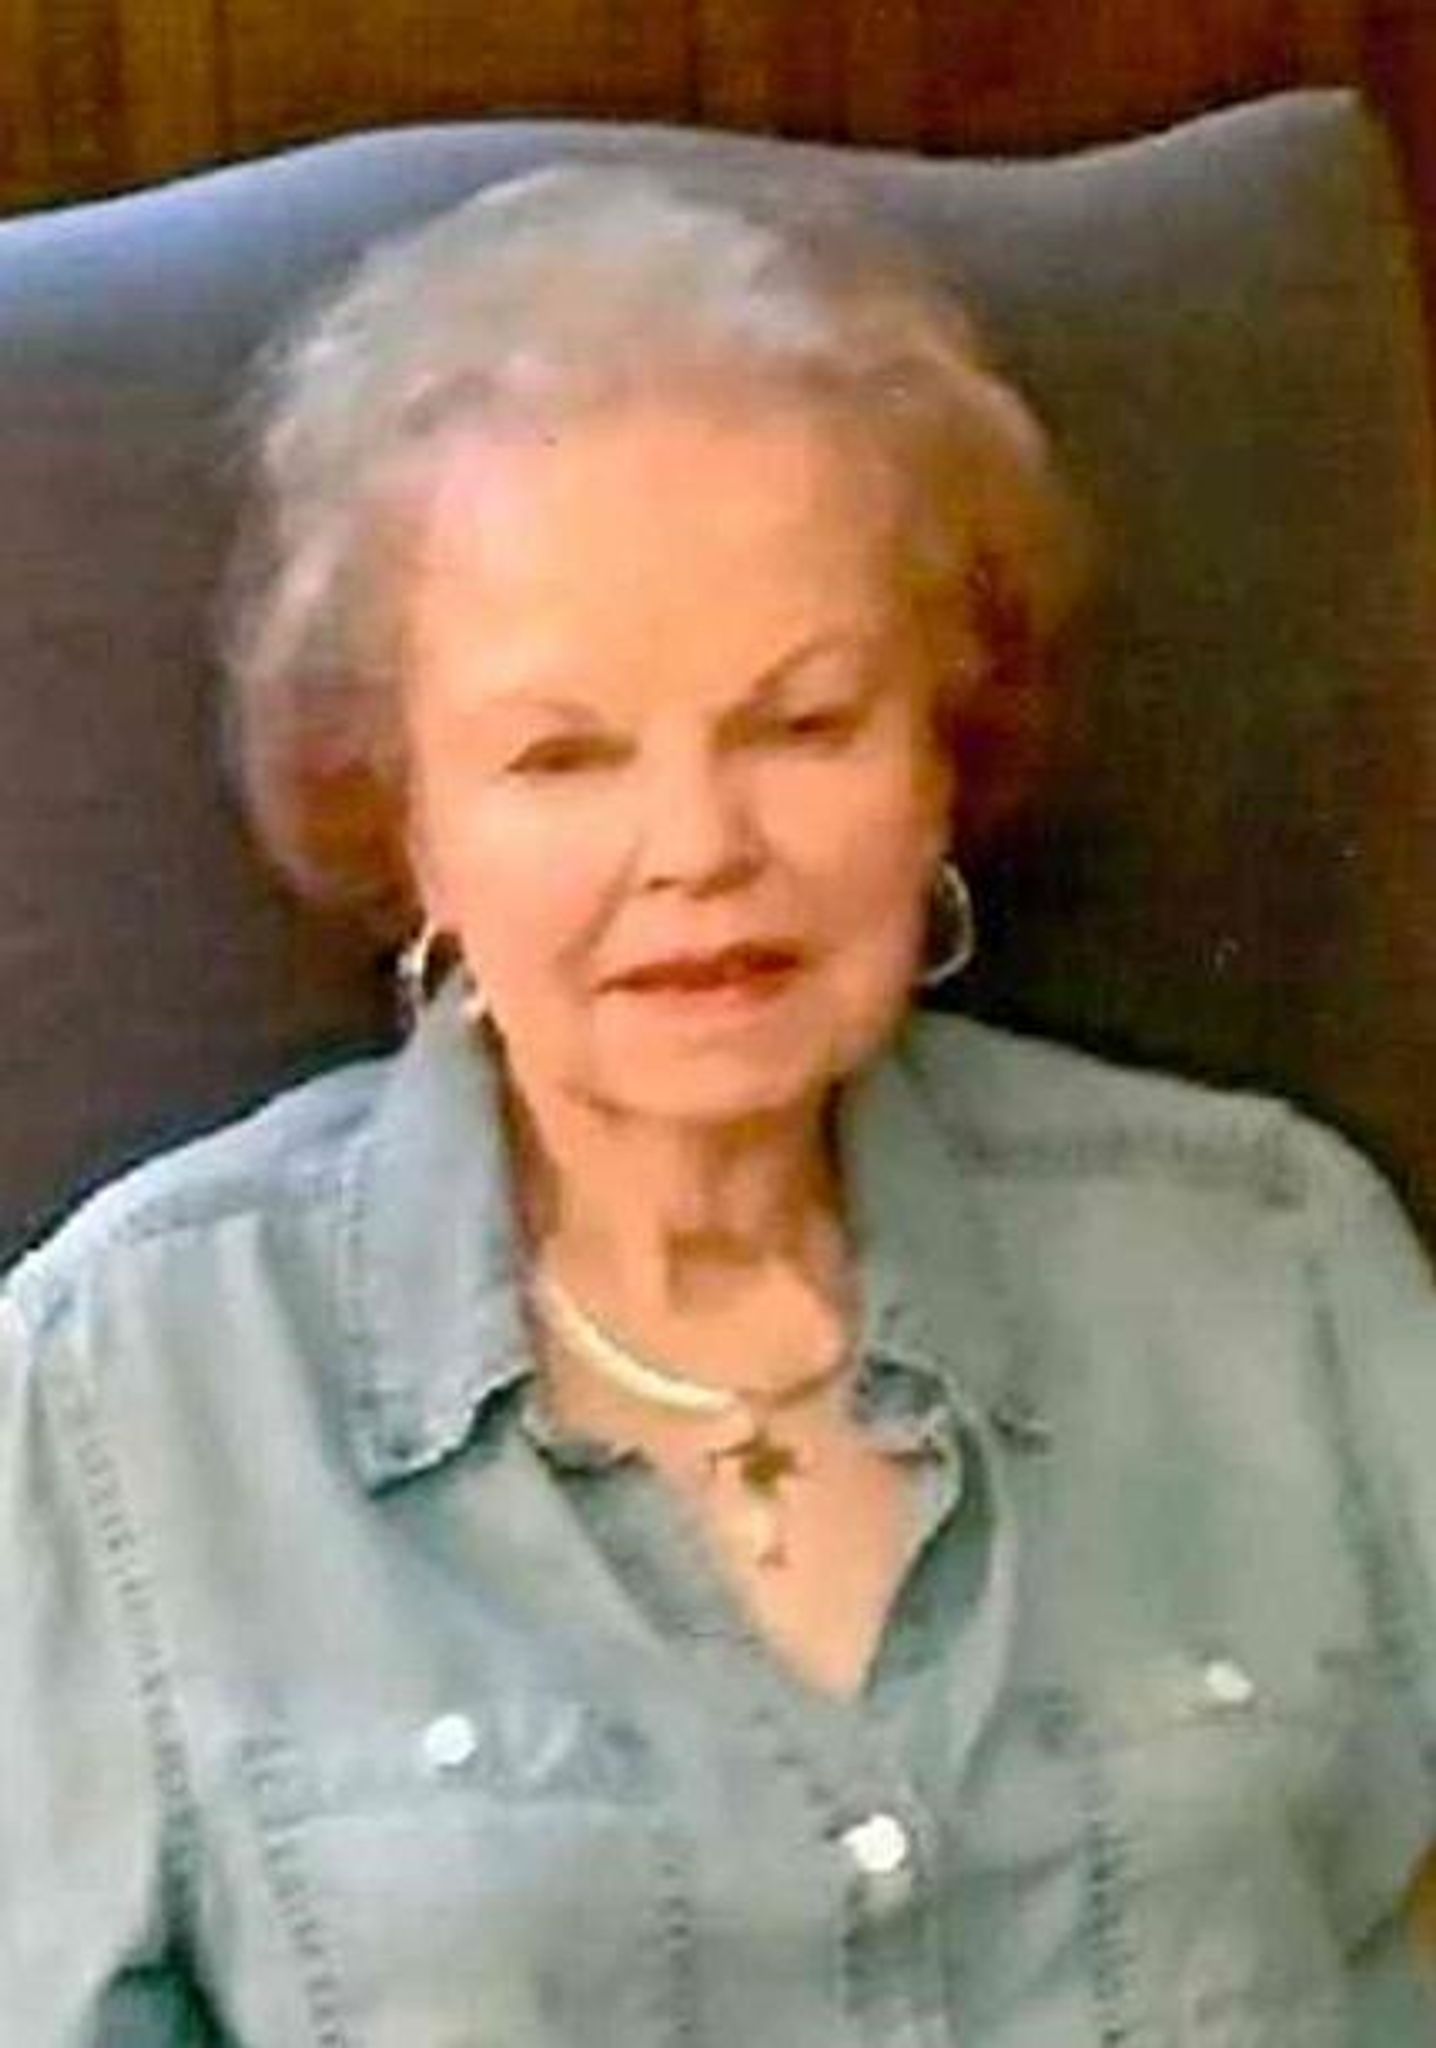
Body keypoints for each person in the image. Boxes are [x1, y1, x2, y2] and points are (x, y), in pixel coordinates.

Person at [2, 156, 1434, 2046]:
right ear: (404, 814)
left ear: (941, 754)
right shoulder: (128, 1385)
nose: (697, 848)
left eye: (803, 723)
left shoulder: (1282, 1268)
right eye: (561, 756)